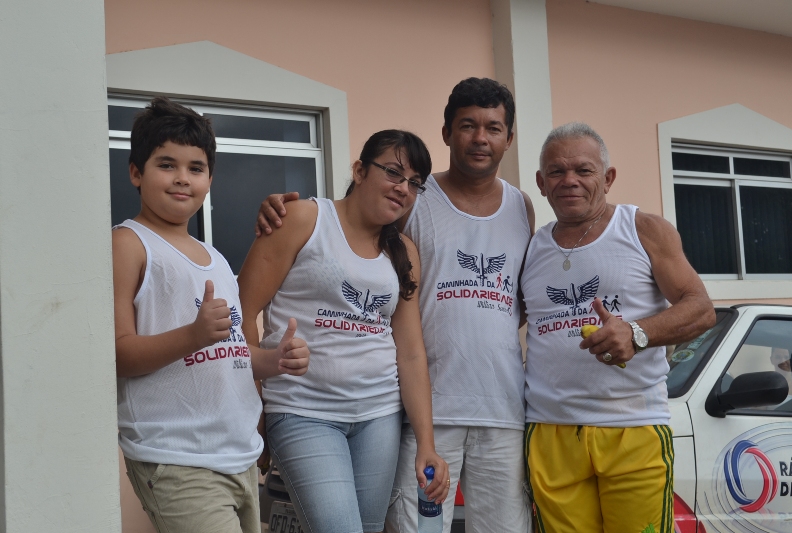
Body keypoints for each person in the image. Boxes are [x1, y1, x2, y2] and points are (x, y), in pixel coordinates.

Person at [256, 78, 535, 533]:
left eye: (493, 128)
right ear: (447, 133)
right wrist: (277, 211)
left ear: (509, 138)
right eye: (467, 125)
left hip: (485, 409)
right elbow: (346, 229)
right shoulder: (406, 203)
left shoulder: (520, 208)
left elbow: (516, 304)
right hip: (408, 408)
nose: (480, 138)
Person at [113, 97, 310, 533]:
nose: (182, 178)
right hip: (176, 456)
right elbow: (117, 354)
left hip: (238, 454)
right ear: (135, 172)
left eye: (196, 168)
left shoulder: (216, 259)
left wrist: (273, 361)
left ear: (210, 179)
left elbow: (231, 353)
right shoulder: (128, 244)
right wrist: (193, 335)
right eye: (166, 164)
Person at [237, 130, 449, 533]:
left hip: (378, 416)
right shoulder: (304, 220)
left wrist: (427, 444)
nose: (403, 188)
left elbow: (410, 351)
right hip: (303, 412)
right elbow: (243, 313)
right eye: (393, 172)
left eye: (414, 183)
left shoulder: (404, 252)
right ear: (360, 170)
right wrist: (256, 406)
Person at [521, 122, 716, 532]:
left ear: (608, 178)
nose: (569, 180)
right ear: (540, 182)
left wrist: (637, 333)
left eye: (584, 170)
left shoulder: (643, 229)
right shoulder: (531, 247)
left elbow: (700, 308)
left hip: (633, 427)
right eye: (556, 171)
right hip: (550, 430)